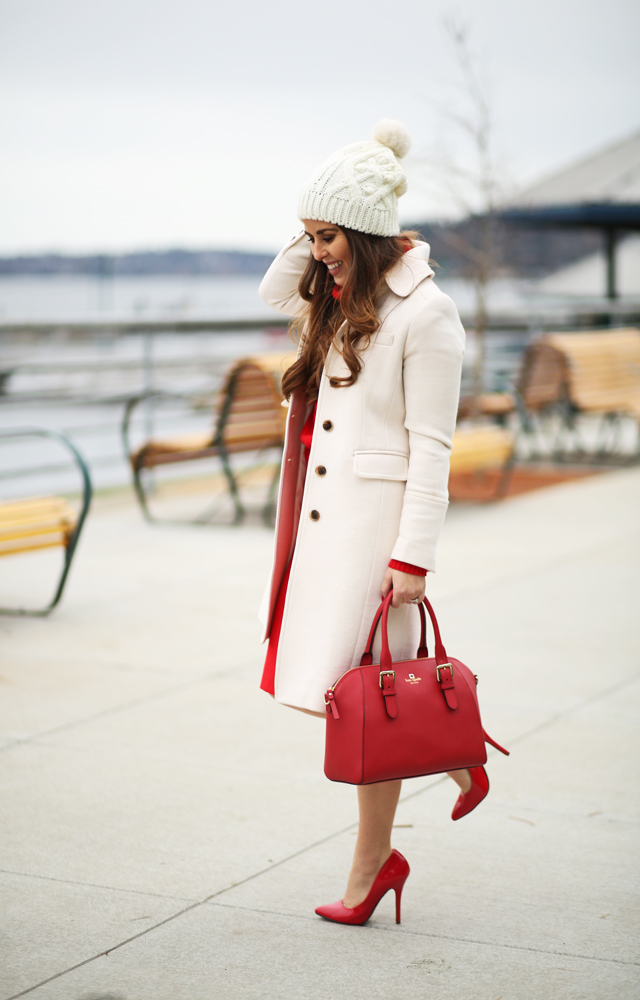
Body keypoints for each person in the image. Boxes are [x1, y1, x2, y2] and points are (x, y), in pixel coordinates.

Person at [257, 120, 487, 926]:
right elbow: (272, 292)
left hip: (374, 540)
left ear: (366, 233)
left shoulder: (428, 316)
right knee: (358, 701)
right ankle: (452, 761)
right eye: (309, 236)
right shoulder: (340, 296)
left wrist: (412, 559)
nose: (315, 252)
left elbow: (434, 451)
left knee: (365, 701)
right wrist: (318, 230)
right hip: (325, 531)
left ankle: (372, 866)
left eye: (328, 236)